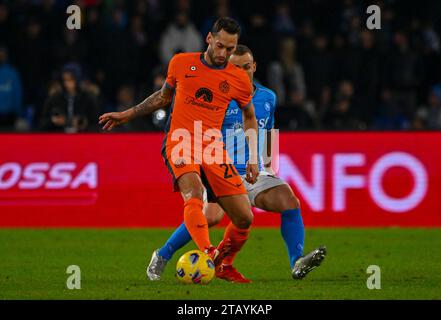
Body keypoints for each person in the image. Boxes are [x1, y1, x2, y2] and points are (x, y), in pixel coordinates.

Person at [147, 45, 326, 283]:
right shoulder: (216, 95)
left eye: (246, 67)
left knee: (289, 201)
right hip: (220, 171)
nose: (241, 71)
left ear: (254, 67)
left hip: (253, 172)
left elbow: (268, 130)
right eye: (236, 67)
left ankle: (296, 262)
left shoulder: (268, 97)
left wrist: (268, 167)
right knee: (210, 216)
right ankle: (162, 254)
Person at [99, 18, 259, 269]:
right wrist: (127, 114)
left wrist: (253, 158)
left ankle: (218, 264)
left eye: (230, 49)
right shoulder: (181, 62)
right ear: (209, 38)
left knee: (244, 217)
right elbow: (163, 98)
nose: (223, 54)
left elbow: (249, 116)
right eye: (220, 46)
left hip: (213, 147)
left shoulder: (238, 79)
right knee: (194, 193)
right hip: (181, 139)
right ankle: (208, 254)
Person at [40, 63, 99, 133]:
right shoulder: (54, 98)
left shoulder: (88, 99)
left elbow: (96, 125)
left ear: (77, 79)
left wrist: (85, 124)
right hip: (58, 137)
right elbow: (42, 123)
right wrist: (53, 121)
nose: (67, 83)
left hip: (82, 138)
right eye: (64, 80)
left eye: (71, 79)